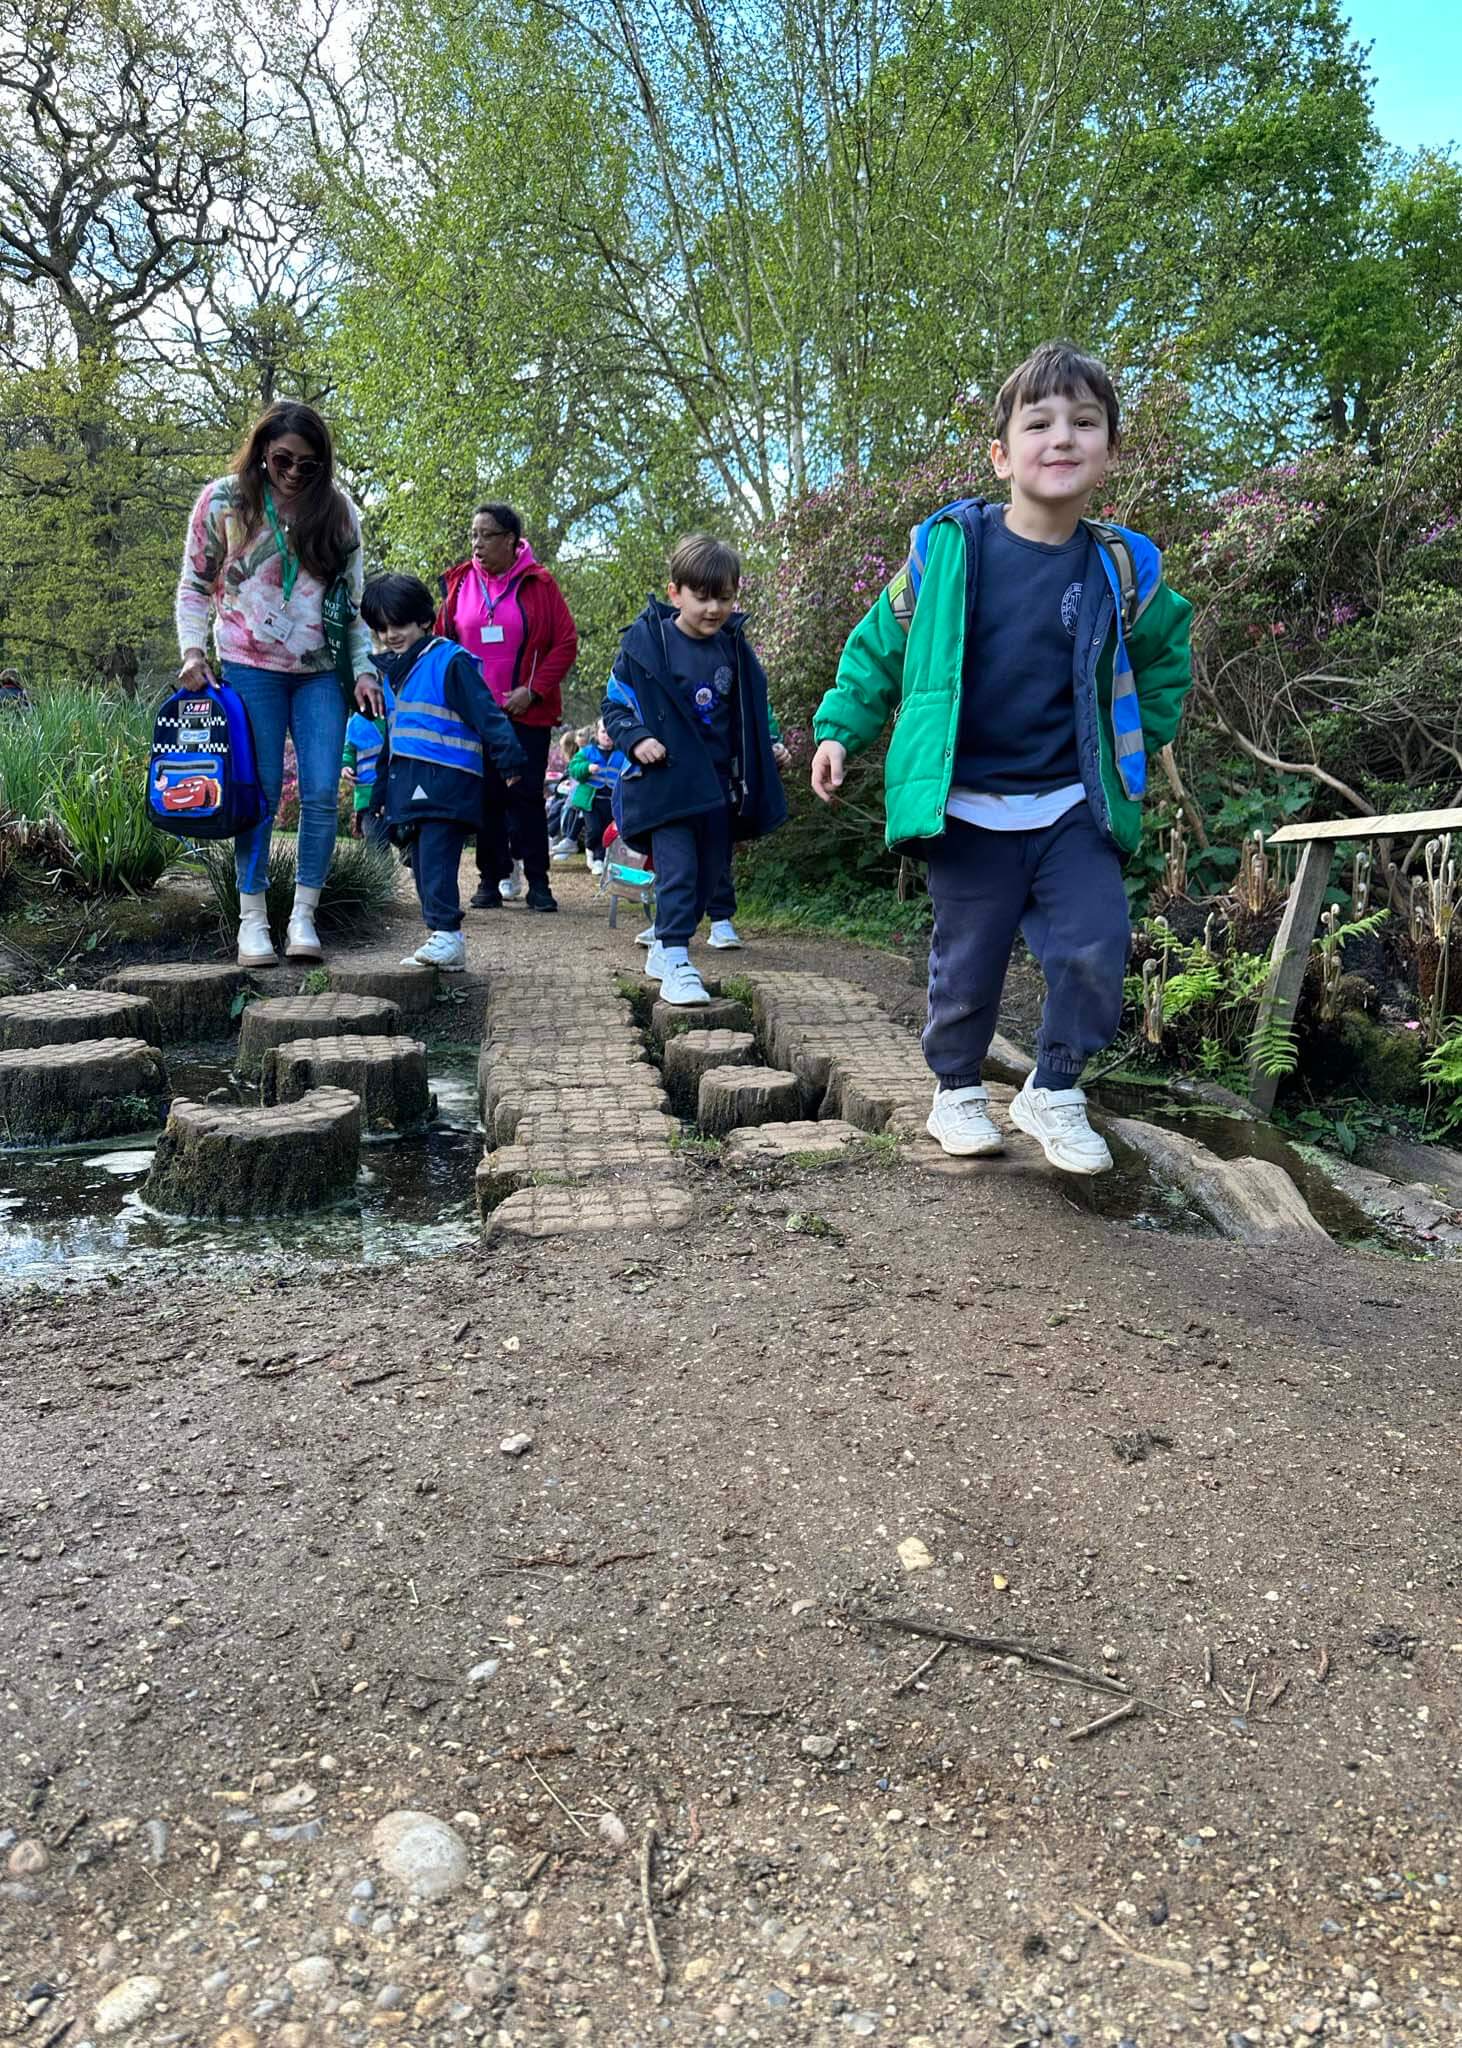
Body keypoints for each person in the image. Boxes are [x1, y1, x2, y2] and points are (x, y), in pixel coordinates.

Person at [810, 340, 1193, 1174]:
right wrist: (840, 728)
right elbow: (878, 646)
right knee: (967, 964)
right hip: (968, 805)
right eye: (1040, 423)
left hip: (1071, 805)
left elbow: (1166, 659)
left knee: (1095, 946)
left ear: (1110, 451)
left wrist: (1138, 734)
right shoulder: (952, 551)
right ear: (1001, 452)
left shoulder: (1123, 569)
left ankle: (1053, 1090)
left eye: (1084, 424)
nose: (1062, 439)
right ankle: (955, 1090)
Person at [175, 400, 380, 968]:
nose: (293, 472)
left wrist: (363, 669)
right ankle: (253, 921)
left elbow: (352, 606)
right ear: (263, 451)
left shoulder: (339, 515)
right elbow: (195, 585)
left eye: (308, 465)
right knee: (259, 794)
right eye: (283, 459)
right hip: (247, 663)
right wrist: (193, 650)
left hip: (320, 671)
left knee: (318, 793)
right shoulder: (224, 502)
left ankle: (304, 918)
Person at [602, 532, 786, 1007]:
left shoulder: (734, 647)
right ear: (675, 593)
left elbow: (749, 710)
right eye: (701, 597)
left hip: (718, 787)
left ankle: (666, 948)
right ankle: (677, 958)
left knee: (709, 873)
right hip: (666, 784)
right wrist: (637, 738)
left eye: (724, 598)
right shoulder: (647, 645)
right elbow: (616, 704)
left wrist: (768, 746)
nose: (713, 608)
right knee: (679, 870)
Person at [360, 573, 526, 971]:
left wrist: (510, 760)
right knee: (420, 860)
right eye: (381, 628)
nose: (390, 634)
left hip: (448, 781)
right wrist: (380, 793)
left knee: (434, 857)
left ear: (423, 620)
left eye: (398, 624)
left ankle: (447, 934)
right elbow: (393, 740)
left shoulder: (449, 661)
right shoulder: (393, 675)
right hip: (410, 782)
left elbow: (487, 714)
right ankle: (443, 938)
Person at [435, 503, 578, 914]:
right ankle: (489, 880)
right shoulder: (459, 583)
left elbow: (565, 643)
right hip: (474, 715)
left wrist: (532, 690)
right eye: (473, 535)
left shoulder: (540, 583)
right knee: (485, 798)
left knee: (526, 796)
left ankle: (538, 881)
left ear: (511, 541)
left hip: (525, 712)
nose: (477, 544)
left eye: (486, 535)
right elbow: (442, 643)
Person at [567, 720, 626, 875]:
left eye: (611, 732)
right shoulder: (587, 752)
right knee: (594, 829)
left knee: (607, 830)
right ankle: (591, 852)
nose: (607, 736)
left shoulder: (621, 753)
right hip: (591, 800)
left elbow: (630, 769)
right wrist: (587, 768)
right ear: (596, 734)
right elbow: (573, 768)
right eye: (603, 732)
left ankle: (600, 859)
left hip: (611, 801)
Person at [342, 685, 392, 845]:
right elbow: (348, 750)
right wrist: (345, 767)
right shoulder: (356, 721)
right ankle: (380, 870)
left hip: (395, 792)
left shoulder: (394, 714)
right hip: (367, 798)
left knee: (410, 847)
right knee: (376, 844)